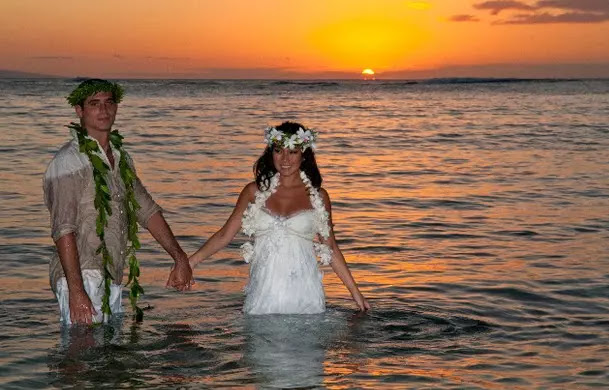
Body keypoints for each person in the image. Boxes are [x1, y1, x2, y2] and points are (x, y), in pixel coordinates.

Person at [43, 79, 193, 325]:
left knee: (106, 356)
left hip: (112, 273)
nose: (103, 110)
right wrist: (77, 292)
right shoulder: (69, 162)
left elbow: (146, 210)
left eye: (109, 102)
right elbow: (63, 229)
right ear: (79, 111)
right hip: (81, 273)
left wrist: (179, 256)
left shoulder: (121, 158)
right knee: (81, 354)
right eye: (94, 104)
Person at [188, 121, 370, 314]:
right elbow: (225, 235)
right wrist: (189, 263)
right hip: (262, 296)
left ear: (304, 155)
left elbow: (330, 247)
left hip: (305, 296)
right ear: (270, 152)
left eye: (293, 152)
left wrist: (355, 292)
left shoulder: (318, 196)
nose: (285, 159)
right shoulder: (253, 192)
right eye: (278, 150)